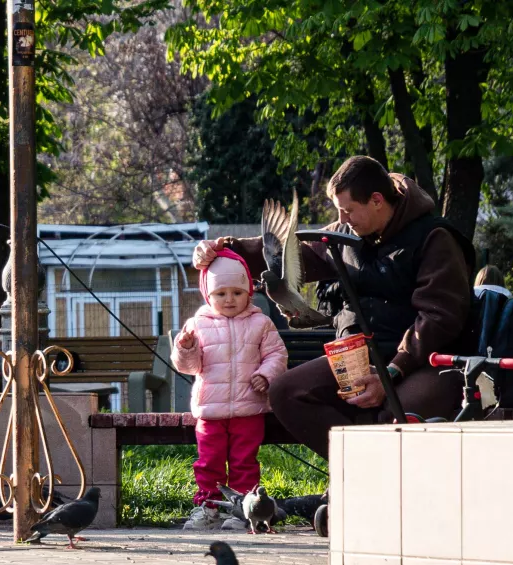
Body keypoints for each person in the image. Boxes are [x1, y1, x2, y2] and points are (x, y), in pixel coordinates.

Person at [193, 155, 473, 459]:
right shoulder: (346, 234)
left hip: (423, 362)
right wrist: (226, 250)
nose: (342, 219)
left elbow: (439, 318)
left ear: (377, 200)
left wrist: (390, 373)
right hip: (357, 354)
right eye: (339, 210)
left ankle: (369, 485)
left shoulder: (434, 238)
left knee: (390, 419)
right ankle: (359, 478)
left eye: (349, 210)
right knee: (287, 392)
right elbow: (291, 255)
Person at [171, 251, 287, 529]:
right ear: (207, 295)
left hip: (249, 408)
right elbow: (188, 366)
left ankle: (243, 512)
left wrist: (265, 375)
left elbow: (277, 355)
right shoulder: (197, 324)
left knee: (244, 462)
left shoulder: (261, 323)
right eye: (221, 293)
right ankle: (209, 507)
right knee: (208, 462)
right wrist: (185, 348)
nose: (229, 299)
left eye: (237, 292)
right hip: (210, 411)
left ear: (249, 292)